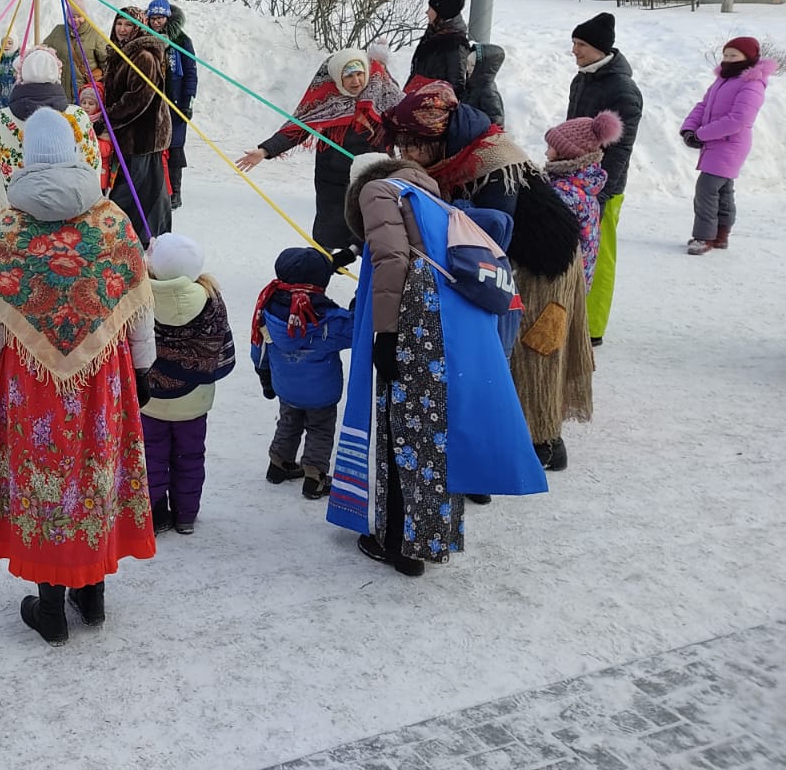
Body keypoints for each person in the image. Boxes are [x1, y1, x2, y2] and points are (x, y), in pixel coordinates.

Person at [0, 107, 156, 643]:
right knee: (95, 473)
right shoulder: (111, 219)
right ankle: (92, 597)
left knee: (44, 478)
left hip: (33, 381)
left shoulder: (7, 226)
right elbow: (138, 305)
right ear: (76, 155)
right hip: (103, 376)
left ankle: (50, 608)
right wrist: (144, 367)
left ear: (26, 161)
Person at [333, 151, 546, 577]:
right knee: (436, 436)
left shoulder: (378, 190)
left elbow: (392, 259)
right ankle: (430, 536)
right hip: (452, 327)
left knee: (404, 431)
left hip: (416, 323)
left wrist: (387, 336)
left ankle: (399, 545)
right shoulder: (430, 200)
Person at [389, 83, 594, 474]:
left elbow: (488, 235)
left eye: (412, 144)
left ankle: (541, 441)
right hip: (517, 258)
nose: (406, 153)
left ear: (436, 136)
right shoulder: (459, 153)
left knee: (534, 352)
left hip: (543, 265)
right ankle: (526, 436)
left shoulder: (492, 162)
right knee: (515, 351)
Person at [237, 48, 402, 249]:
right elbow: (298, 129)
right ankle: (319, 270)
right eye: (348, 76)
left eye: (359, 74)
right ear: (338, 77)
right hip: (332, 177)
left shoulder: (382, 96)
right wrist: (265, 151)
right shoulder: (326, 99)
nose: (356, 81)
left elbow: (407, 125)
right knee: (328, 232)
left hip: (370, 176)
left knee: (373, 233)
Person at [139, 233, 235, 533]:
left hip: (150, 398)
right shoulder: (211, 298)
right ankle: (185, 515)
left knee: (151, 456)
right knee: (190, 456)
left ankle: (154, 514)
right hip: (195, 398)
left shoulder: (139, 297)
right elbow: (219, 346)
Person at [565, 12, 642, 344]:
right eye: (574, 43)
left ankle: (592, 327)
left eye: (581, 44)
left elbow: (620, 150)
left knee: (601, 253)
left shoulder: (622, 90)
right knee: (575, 252)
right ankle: (571, 314)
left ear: (599, 48)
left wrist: (602, 192)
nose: (575, 50)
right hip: (576, 180)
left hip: (602, 187)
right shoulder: (583, 78)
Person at [252, 247, 352, 500]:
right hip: (321, 393)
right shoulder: (328, 320)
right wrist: (358, 302)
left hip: (286, 386)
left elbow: (259, 347)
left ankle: (278, 464)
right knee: (319, 429)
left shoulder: (267, 309)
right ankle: (314, 477)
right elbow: (354, 329)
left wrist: (264, 376)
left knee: (289, 421)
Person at [680, 36, 773, 256]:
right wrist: (689, 128)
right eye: (726, 55)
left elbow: (738, 120)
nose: (728, 59)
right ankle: (721, 235)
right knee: (722, 189)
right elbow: (703, 106)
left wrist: (701, 135)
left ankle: (705, 237)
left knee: (707, 188)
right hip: (716, 143)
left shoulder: (752, 84)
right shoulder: (723, 80)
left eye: (734, 55)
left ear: (748, 58)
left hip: (731, 145)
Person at [0, 45, 101, 213]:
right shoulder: (77, 117)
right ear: (57, 74)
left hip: (19, 214)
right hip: (70, 213)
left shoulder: (2, 119)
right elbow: (92, 165)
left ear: (21, 74)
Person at [102, 7, 172, 242]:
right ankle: (143, 233)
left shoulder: (143, 56)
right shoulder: (119, 52)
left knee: (133, 185)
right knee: (142, 184)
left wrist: (107, 116)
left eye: (128, 25)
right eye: (119, 24)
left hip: (144, 131)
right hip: (129, 131)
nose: (122, 29)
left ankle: (128, 234)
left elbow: (138, 99)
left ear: (138, 27)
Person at [543, 111, 622, 289]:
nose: (546, 153)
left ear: (566, 153)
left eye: (551, 147)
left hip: (562, 283)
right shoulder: (584, 186)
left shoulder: (564, 194)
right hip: (578, 280)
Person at [145, 0, 197, 208]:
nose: (157, 22)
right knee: (153, 147)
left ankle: (175, 192)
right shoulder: (144, 39)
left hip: (174, 103)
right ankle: (155, 188)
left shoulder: (182, 41)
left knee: (174, 147)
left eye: (161, 18)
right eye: (153, 17)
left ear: (168, 18)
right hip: (150, 102)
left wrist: (188, 103)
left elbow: (191, 74)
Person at [407, 0, 470, 94]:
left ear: (441, 13)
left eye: (430, 9)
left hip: (436, 104)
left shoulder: (455, 43)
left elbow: (457, 83)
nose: (427, 12)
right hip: (419, 98)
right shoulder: (432, 34)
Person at [464, 41, 506, 128]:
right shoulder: (471, 84)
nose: (468, 68)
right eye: (467, 64)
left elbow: (497, 124)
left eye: (472, 65)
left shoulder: (488, 93)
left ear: (483, 69)